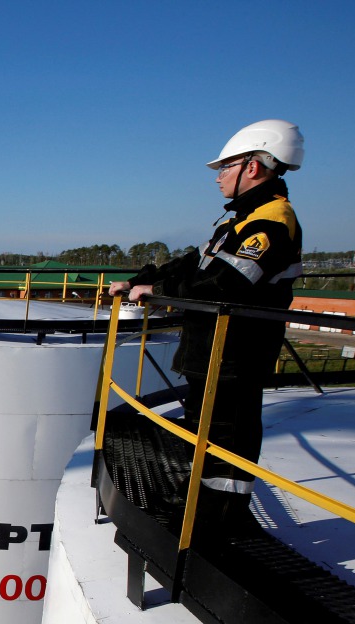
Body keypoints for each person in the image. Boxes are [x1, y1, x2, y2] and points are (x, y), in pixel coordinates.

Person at [109, 119, 304, 541]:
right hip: (213, 351)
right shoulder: (238, 222)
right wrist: (139, 280)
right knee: (204, 432)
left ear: (253, 167)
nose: (218, 177)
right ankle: (198, 506)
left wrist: (157, 291)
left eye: (225, 167)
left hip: (237, 352)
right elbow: (190, 265)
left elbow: (227, 284)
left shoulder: (271, 223)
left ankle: (218, 523)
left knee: (227, 437)